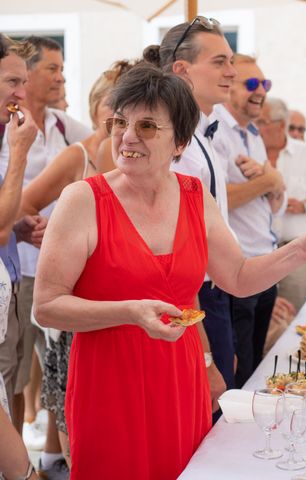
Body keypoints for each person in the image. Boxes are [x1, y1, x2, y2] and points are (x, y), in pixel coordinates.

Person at [32, 63, 306, 478]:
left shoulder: (194, 196)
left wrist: (302, 250)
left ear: (180, 142)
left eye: (147, 126)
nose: (127, 137)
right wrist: (127, 312)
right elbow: (47, 306)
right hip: (110, 384)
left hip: (181, 380)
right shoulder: (83, 200)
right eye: (119, 122)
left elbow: (237, 276)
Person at [19, 61, 131, 471]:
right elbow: (26, 204)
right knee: (70, 393)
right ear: (98, 104)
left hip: (121, 298)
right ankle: (62, 461)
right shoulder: (78, 155)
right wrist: (49, 235)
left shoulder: (137, 154)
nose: (123, 111)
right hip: (73, 295)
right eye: (115, 102)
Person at [142, 16, 238, 406]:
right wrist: (206, 354)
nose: (232, 71)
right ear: (182, 69)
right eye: (219, 61)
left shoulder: (202, 134)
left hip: (213, 296)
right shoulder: (176, 144)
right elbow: (170, 260)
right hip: (191, 302)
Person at [0, 36, 90, 445]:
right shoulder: (12, 132)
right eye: (51, 69)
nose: (60, 77)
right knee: (14, 381)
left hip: (34, 267)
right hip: (18, 269)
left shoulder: (65, 127)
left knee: (39, 369)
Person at [213, 54, 287, 387]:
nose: (260, 92)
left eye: (265, 84)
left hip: (265, 264)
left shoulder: (253, 134)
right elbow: (214, 200)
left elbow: (272, 202)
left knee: (256, 367)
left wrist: (273, 184)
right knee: (239, 375)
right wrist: (267, 181)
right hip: (238, 272)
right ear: (228, 86)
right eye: (251, 84)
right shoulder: (216, 131)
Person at [0, 33, 40, 480]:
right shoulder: (14, 140)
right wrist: (20, 154)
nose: (21, 94)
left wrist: (17, 228)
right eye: (13, 80)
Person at [259, 97, 306, 349]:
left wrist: (304, 206)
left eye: (261, 122)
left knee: (296, 316)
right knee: (263, 319)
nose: (255, 126)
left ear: (279, 125)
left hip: (296, 249)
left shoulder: (305, 154)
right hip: (258, 252)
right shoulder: (251, 150)